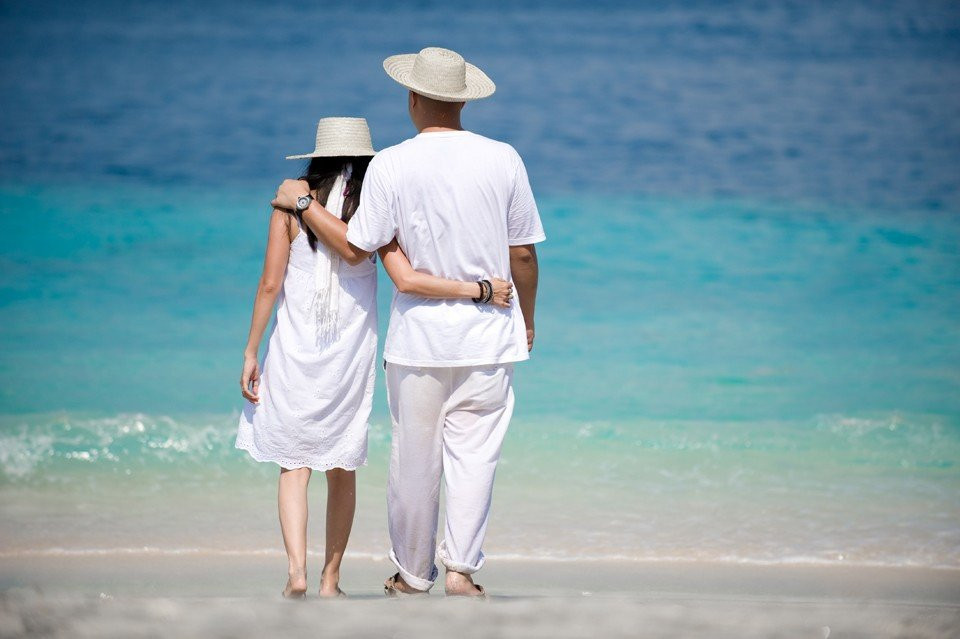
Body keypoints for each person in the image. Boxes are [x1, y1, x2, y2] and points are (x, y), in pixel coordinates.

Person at [273, 48, 544, 597]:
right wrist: (527, 319)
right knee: (475, 458)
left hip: (420, 339)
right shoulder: (505, 158)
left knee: (414, 463)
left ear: (413, 98)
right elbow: (523, 256)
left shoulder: (393, 163)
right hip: (490, 334)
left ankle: (413, 576)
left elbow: (357, 244)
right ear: (465, 98)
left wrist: (302, 204)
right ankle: (462, 572)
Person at [237, 117, 513, 599]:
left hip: (294, 347)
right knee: (341, 465)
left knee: (293, 465)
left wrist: (250, 349)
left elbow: (269, 283)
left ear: (314, 157)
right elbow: (401, 274)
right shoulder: (375, 206)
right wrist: (480, 291)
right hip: (349, 350)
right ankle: (329, 581)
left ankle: (296, 572)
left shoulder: (289, 207)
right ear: (368, 159)